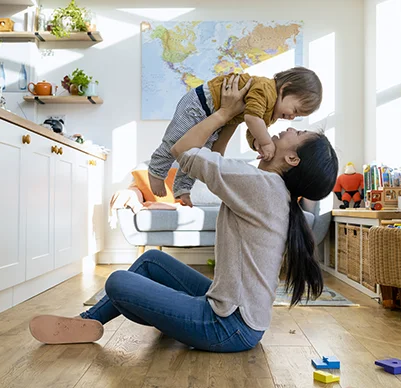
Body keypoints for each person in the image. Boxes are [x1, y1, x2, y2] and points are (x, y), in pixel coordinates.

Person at [29, 74, 339, 353]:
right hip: (235, 315)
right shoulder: (268, 188)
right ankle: (88, 323)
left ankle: (158, 317)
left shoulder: (260, 185)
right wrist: (231, 120)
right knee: (151, 261)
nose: (288, 127)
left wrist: (224, 112)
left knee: (118, 283)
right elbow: (211, 161)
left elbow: (183, 149)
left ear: (292, 158)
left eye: (297, 131)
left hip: (227, 326)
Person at [147, 67, 323, 207]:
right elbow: (251, 118)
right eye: (295, 110)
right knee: (174, 139)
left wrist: (256, 142)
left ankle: (182, 187)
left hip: (218, 115)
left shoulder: (270, 113)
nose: (292, 118)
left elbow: (251, 129)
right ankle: (156, 169)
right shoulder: (266, 89)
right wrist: (265, 141)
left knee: (199, 152)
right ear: (285, 89)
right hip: (201, 103)